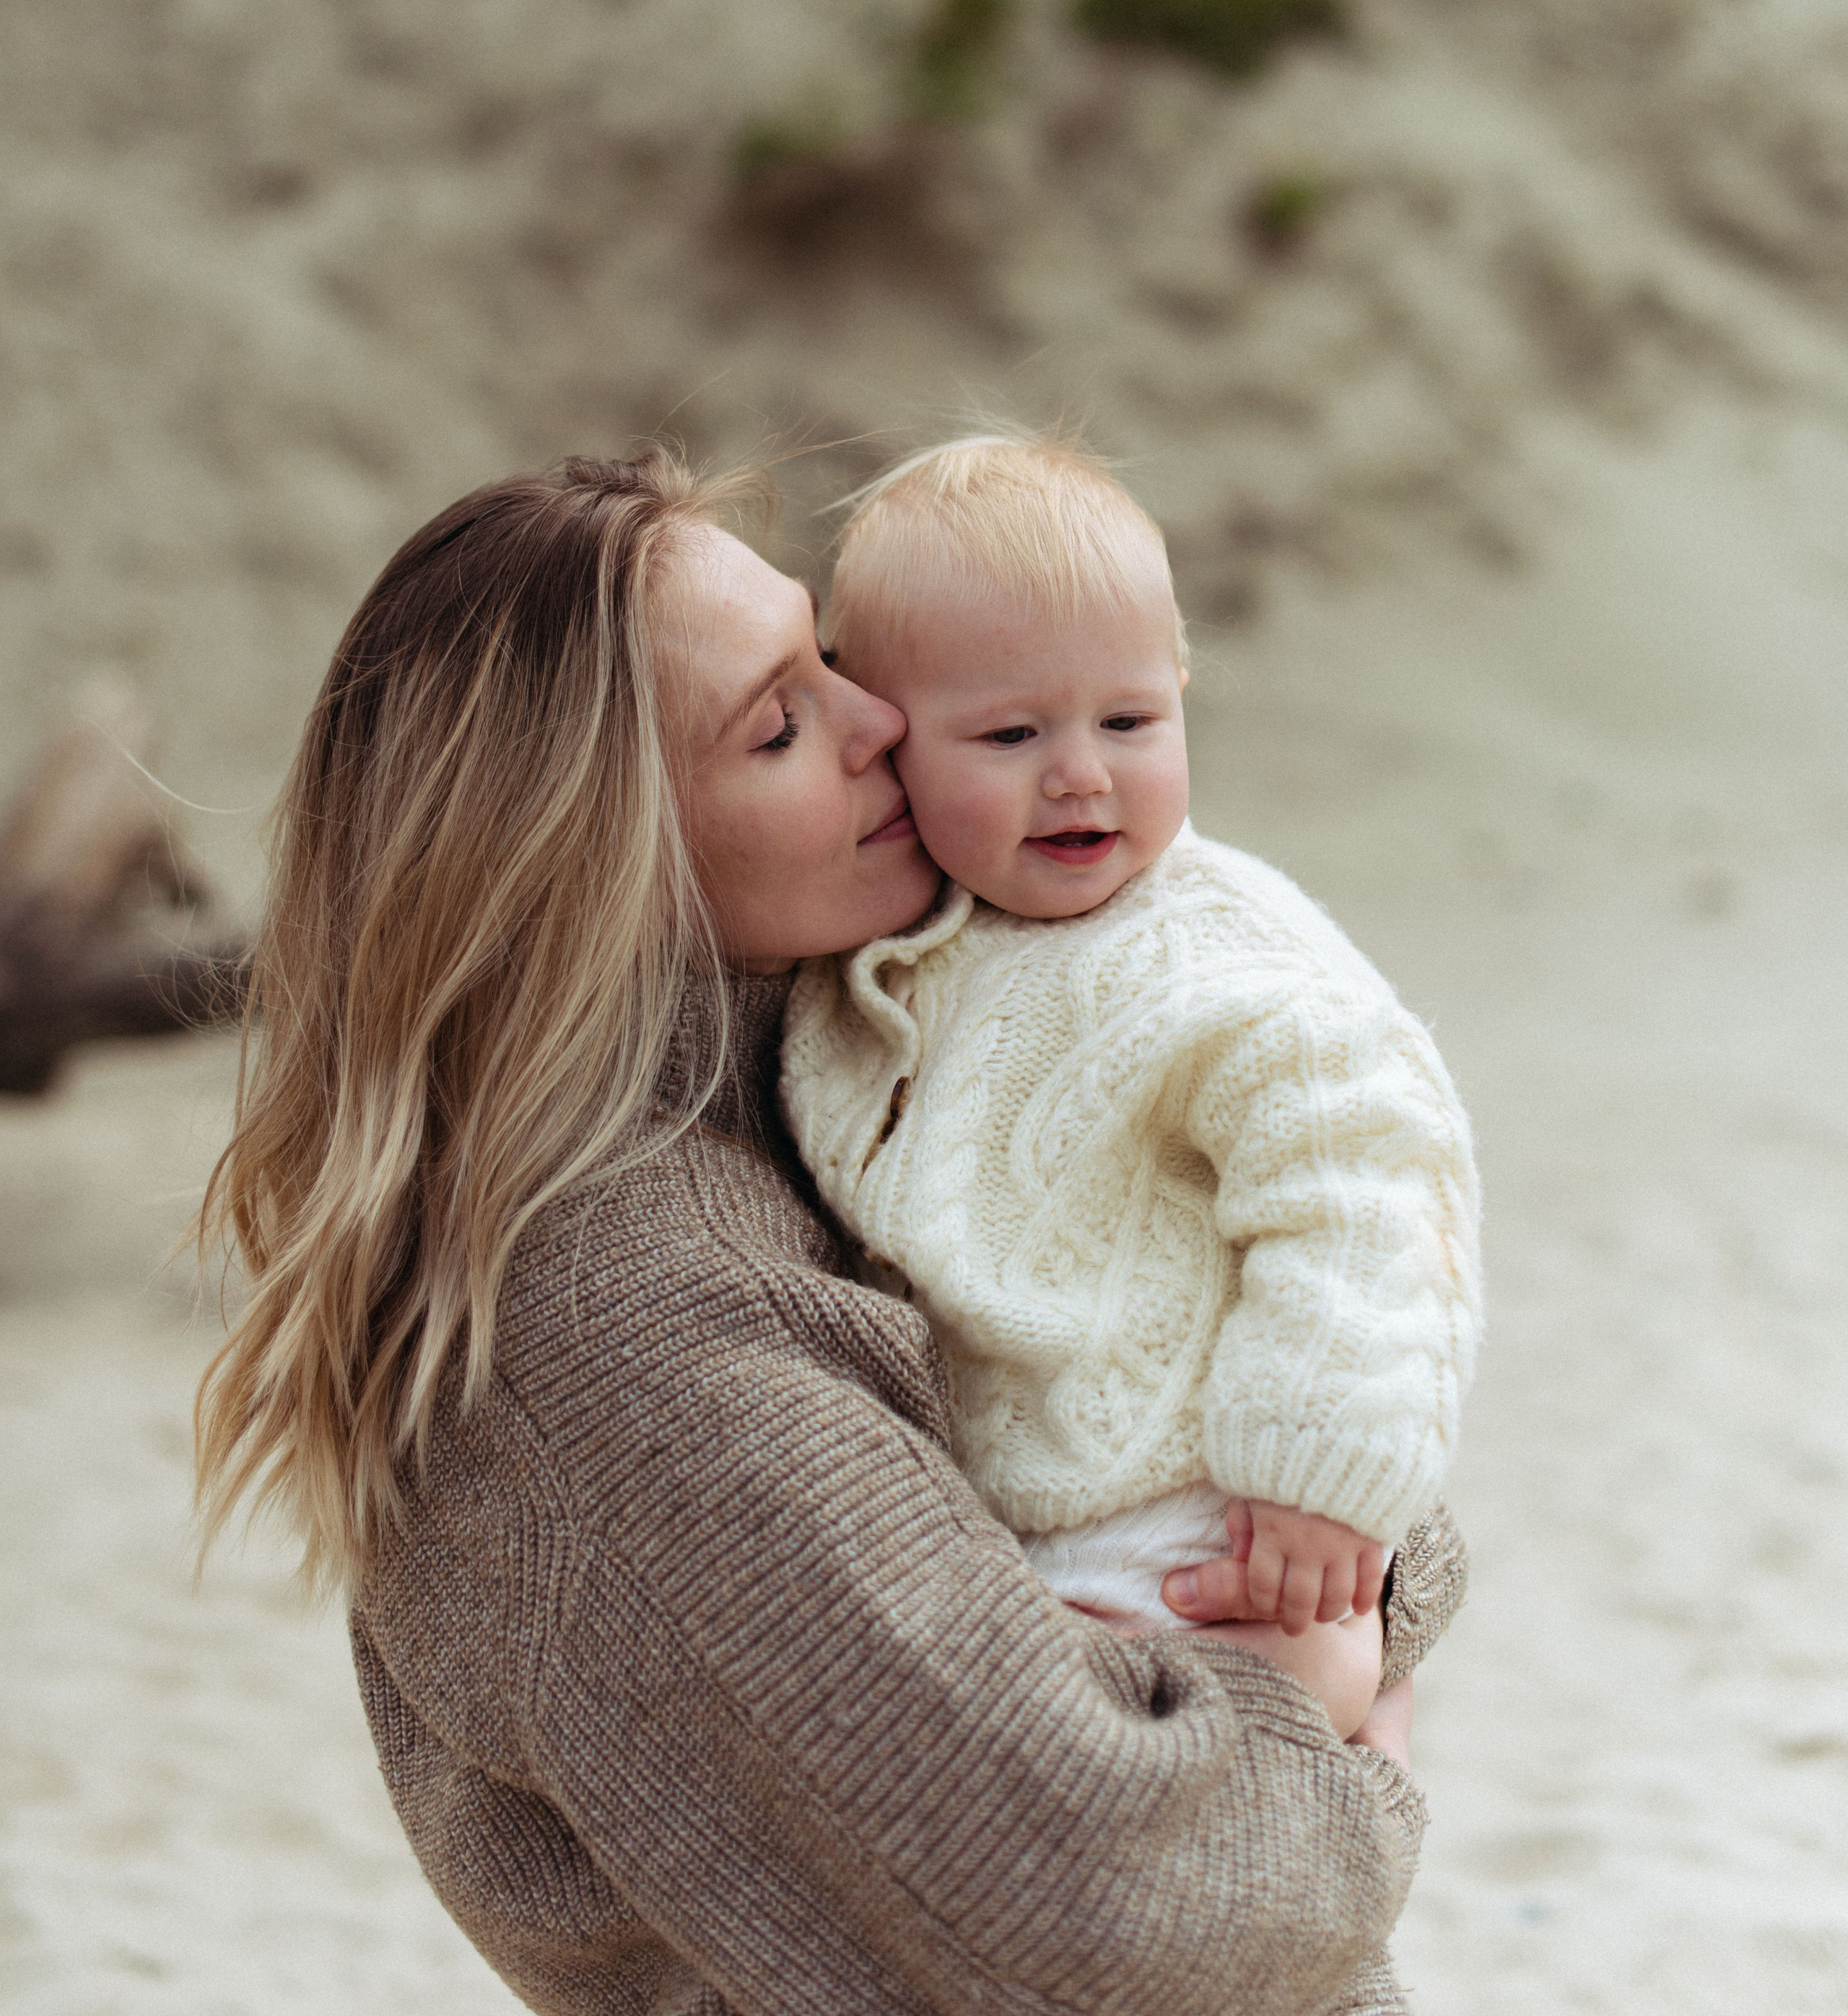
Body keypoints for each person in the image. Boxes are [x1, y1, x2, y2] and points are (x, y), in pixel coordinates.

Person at [194, 449, 1466, 2016]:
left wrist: (1356, 1574)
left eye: (832, 660)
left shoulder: (829, 1112)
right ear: (603, 856)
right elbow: (1120, 1912)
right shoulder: (625, 1324)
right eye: (783, 721)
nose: (881, 721)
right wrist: (1333, 1711)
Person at [783, 435, 1481, 1719]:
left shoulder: (1215, 954)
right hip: (1002, 1526)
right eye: (1009, 733)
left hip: (1196, 1503)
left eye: (1130, 720)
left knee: (1283, 1675)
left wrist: (1318, 1466)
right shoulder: (886, 950)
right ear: (885, 743)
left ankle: (1335, 1694)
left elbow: (1370, 1182)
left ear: (1182, 691)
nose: (1080, 774)